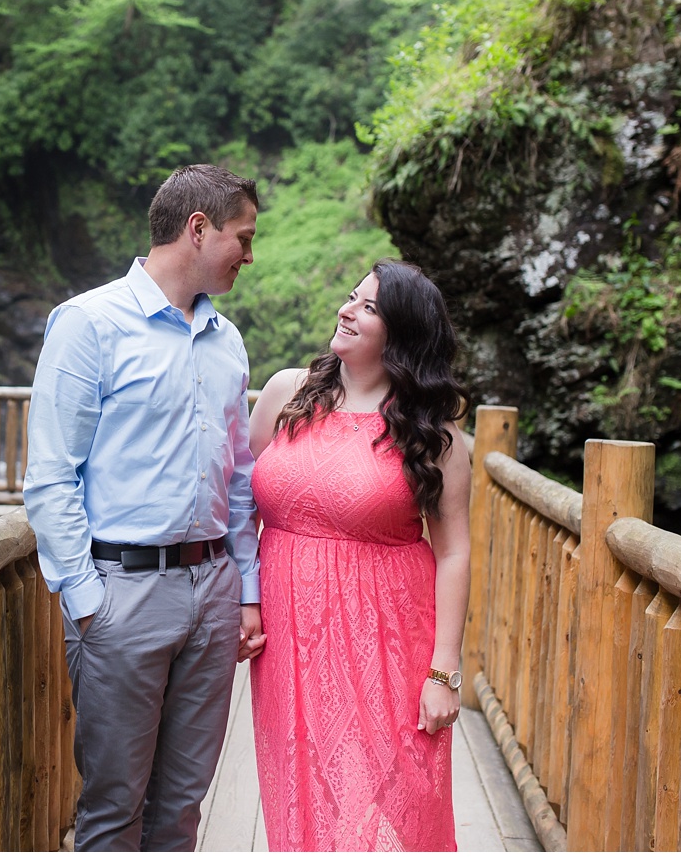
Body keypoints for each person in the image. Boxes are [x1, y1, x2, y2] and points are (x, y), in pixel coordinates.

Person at [25, 164, 267, 852]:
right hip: (121, 591)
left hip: (213, 589)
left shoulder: (228, 341)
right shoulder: (87, 324)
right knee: (111, 809)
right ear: (199, 228)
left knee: (181, 809)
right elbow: (51, 475)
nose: (248, 256)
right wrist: (85, 597)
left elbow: (239, 477)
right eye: (242, 238)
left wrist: (245, 590)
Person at [246, 259, 471, 851]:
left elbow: (454, 554)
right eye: (351, 298)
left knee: (394, 801)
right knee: (302, 788)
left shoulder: (432, 435)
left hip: (389, 637)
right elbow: (240, 507)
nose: (347, 310)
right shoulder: (285, 393)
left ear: (401, 334)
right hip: (291, 634)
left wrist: (443, 674)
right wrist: (244, 601)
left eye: (369, 307)